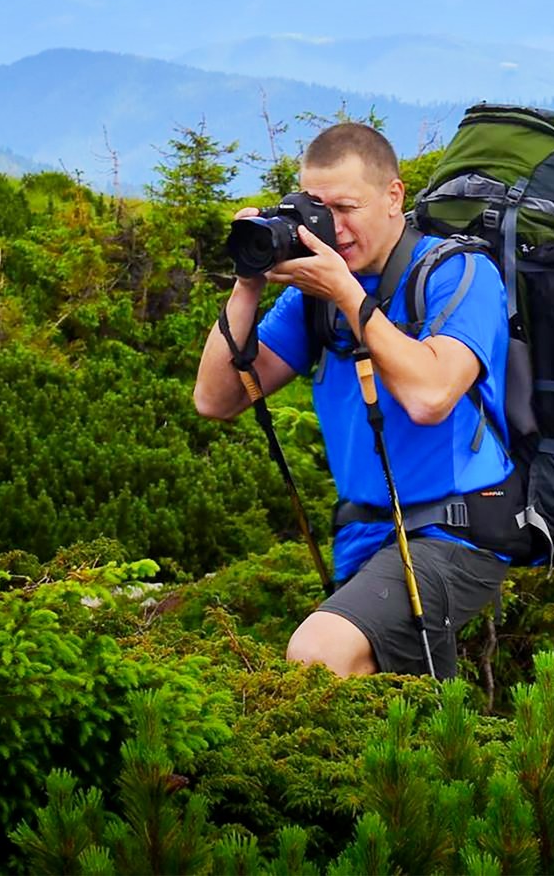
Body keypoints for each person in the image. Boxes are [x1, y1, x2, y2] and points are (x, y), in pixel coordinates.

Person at [192, 122, 513, 677]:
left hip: (457, 530)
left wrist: (346, 295)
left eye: (346, 207)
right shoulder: (314, 295)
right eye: (315, 209)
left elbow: (431, 397)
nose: (331, 228)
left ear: (394, 197)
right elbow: (217, 398)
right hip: (366, 538)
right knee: (394, 717)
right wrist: (250, 280)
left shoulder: (457, 273)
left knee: (320, 652)